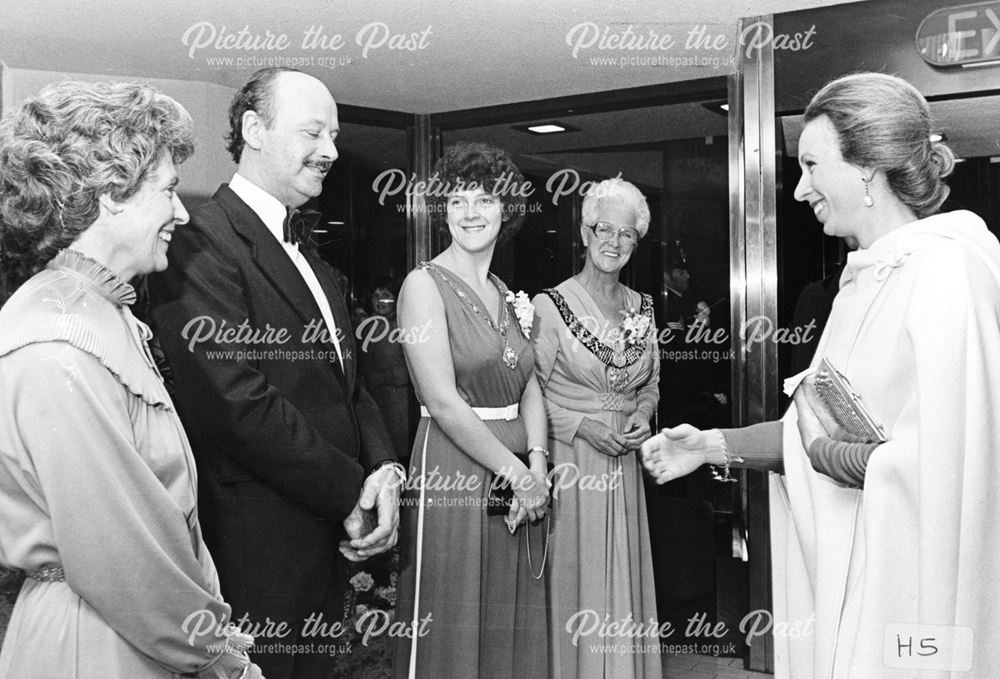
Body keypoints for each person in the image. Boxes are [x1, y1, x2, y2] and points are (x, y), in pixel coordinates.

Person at [641, 72, 1000, 677]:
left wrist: (828, 452)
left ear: (866, 167)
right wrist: (710, 445)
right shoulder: (862, 281)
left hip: (910, 591)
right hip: (855, 573)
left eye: (811, 165)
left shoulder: (948, 272)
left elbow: (949, 464)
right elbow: (808, 426)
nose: (801, 188)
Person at [145, 67, 402, 679]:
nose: (332, 151)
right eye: (313, 131)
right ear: (254, 130)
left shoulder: (311, 251)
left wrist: (383, 473)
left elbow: (352, 384)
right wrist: (348, 493)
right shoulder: (196, 240)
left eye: (335, 135)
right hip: (256, 541)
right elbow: (236, 401)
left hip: (322, 531)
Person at [0, 81, 261, 678]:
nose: (182, 211)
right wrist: (217, 655)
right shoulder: (58, 338)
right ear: (112, 194)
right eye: (168, 190)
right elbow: (119, 553)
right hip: (98, 644)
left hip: (133, 634)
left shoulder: (96, 310)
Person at [393, 142, 550, 679]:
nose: (470, 212)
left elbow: (528, 382)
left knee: (505, 608)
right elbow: (441, 400)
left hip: (515, 465)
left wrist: (538, 461)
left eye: (483, 199)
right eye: (457, 201)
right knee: (455, 612)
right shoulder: (422, 286)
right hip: (455, 466)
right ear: (442, 212)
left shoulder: (505, 292)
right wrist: (517, 474)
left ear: (505, 209)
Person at [531, 178, 661, 679]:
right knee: (578, 582)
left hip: (624, 464)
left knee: (622, 580)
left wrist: (644, 416)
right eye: (602, 229)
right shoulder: (550, 305)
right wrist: (583, 426)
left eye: (626, 234)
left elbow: (650, 384)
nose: (613, 242)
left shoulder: (643, 308)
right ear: (584, 233)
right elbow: (530, 396)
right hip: (571, 463)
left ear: (637, 241)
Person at [358, 277, 414, 464]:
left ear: (397, 299)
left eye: (386, 295)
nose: (380, 300)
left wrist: (380, 377)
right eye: (376, 295)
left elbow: (412, 373)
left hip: (399, 410)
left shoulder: (404, 327)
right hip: (375, 407)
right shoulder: (366, 327)